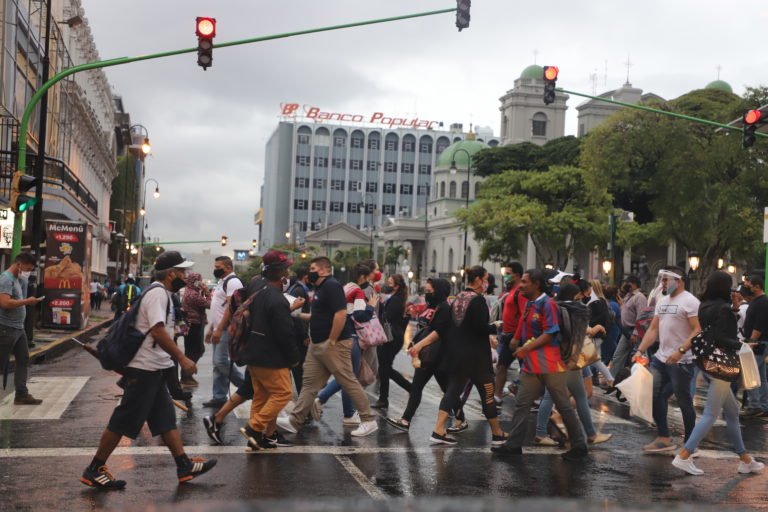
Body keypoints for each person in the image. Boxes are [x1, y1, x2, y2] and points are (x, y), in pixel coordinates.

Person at [80, 251, 216, 489]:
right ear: (171, 273)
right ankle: (94, 469)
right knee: (123, 421)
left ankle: (183, 465)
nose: (185, 276)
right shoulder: (157, 294)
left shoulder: (163, 293)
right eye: (182, 271)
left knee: (165, 420)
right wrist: (182, 359)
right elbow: (158, 331)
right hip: (144, 370)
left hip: (155, 369)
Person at [672, 271, 765, 476]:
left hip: (708, 364)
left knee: (731, 413)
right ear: (725, 287)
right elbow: (722, 338)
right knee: (710, 415)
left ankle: (745, 459)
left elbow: (713, 331)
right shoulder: (722, 308)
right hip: (722, 367)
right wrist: (742, 344)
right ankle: (684, 455)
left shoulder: (704, 305)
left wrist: (733, 308)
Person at [492, 268, 588, 460]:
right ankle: (514, 444)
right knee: (522, 404)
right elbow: (523, 323)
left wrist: (525, 348)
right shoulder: (530, 303)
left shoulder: (548, 304)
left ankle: (579, 446)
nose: (521, 285)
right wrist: (516, 339)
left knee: (563, 405)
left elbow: (550, 332)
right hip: (532, 364)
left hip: (550, 363)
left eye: (525, 282)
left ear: (536, 284)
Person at [277, 256, 378, 437]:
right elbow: (319, 316)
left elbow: (340, 314)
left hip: (334, 344)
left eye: (313, 268)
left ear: (323, 270)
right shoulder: (320, 288)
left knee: (348, 380)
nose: (310, 271)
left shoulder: (331, 286)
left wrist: (331, 341)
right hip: (317, 345)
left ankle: (368, 420)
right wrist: (297, 314)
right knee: (309, 384)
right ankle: (294, 420)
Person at [430, 266, 507, 446]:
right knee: (488, 391)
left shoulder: (457, 298)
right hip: (476, 357)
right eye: (486, 278)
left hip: (457, 355)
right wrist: (495, 327)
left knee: (452, 391)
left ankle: (438, 430)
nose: (488, 282)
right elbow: (479, 328)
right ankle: (497, 433)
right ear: (479, 280)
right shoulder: (478, 300)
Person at [533, 283, 612, 446]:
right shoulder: (576, 310)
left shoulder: (553, 307)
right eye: (579, 295)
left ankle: (541, 433)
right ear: (573, 296)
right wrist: (596, 327)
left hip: (554, 356)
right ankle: (590, 435)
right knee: (580, 396)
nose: (582, 297)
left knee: (552, 395)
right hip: (569, 358)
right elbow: (584, 332)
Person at [238, 250, 302, 451]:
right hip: (270, 357)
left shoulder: (258, 286)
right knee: (283, 394)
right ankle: (254, 428)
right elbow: (285, 334)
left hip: (253, 352)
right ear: (281, 274)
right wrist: (294, 359)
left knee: (261, 396)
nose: (289, 274)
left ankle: (258, 439)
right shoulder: (278, 299)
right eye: (287, 270)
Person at [634, 267, 700, 452]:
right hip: (660, 358)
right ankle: (663, 437)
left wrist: (680, 350)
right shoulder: (662, 301)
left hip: (682, 361)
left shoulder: (691, 301)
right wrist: (640, 350)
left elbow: (697, 329)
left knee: (683, 400)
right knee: (654, 394)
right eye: (662, 280)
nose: (662, 283)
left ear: (679, 281)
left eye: (666, 280)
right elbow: (653, 329)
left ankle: (690, 445)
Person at [386, 278, 452, 432]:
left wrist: (419, 345)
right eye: (426, 291)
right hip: (427, 354)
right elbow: (424, 329)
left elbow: (438, 332)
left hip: (436, 355)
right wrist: (414, 342)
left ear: (439, 291)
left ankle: (406, 420)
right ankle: (405, 420)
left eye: (430, 291)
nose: (427, 294)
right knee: (421, 387)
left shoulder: (444, 308)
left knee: (447, 389)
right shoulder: (430, 307)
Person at [315, 264, 375, 425]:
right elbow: (360, 315)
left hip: (340, 334)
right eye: (370, 274)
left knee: (346, 375)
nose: (372, 277)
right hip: (351, 335)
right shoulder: (357, 291)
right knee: (349, 377)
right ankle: (335, 406)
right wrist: (371, 306)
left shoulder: (345, 287)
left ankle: (346, 412)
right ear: (362, 277)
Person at [0, 253, 44, 405]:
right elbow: (4, 303)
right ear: (19, 264)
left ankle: (21, 394)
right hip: (6, 328)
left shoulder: (17, 279)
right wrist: (27, 301)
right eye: (28, 268)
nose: (28, 272)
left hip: (18, 328)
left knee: (23, 359)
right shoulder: (6, 279)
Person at [204, 256, 245, 409]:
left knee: (220, 361)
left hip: (226, 329)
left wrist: (220, 329)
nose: (215, 269)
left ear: (228, 267)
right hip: (218, 328)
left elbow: (231, 307)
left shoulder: (233, 281)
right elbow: (218, 308)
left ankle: (246, 387)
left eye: (218, 266)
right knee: (217, 364)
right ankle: (219, 396)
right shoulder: (222, 281)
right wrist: (212, 329)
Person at [372, 274, 412, 409]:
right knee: (385, 368)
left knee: (385, 368)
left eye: (390, 283)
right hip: (393, 336)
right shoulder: (396, 298)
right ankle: (384, 398)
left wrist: (384, 337)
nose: (387, 285)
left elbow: (388, 320)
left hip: (391, 337)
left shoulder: (396, 300)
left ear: (396, 286)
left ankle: (408, 389)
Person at [494, 262, 526, 405]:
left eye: (508, 273)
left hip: (515, 336)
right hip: (507, 334)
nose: (505, 276)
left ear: (517, 275)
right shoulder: (511, 291)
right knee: (502, 366)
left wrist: (517, 337)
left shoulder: (520, 292)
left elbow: (523, 316)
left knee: (526, 368)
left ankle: (530, 396)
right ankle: (497, 395)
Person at [741, 275, 768, 417]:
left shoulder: (763, 302)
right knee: (760, 375)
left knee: (749, 373)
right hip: (757, 342)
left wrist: (751, 341)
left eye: (749, 285)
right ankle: (763, 405)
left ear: (757, 286)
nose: (747, 287)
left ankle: (755, 405)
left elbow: (760, 324)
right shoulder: (757, 301)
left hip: (757, 342)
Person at [611, 275, 647, 371]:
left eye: (628, 283)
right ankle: (613, 381)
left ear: (634, 284)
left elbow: (642, 316)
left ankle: (636, 380)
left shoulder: (639, 297)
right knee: (618, 356)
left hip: (635, 331)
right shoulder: (628, 296)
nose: (626, 285)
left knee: (637, 357)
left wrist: (636, 332)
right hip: (626, 331)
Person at [180, 271, 210, 387]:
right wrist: (207, 291)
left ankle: (186, 376)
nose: (201, 283)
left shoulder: (189, 291)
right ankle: (186, 376)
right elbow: (209, 304)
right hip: (194, 325)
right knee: (197, 350)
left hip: (191, 324)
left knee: (191, 351)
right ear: (196, 281)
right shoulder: (193, 294)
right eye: (199, 280)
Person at [286, 265, 311, 394]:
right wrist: (304, 335)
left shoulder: (294, 288)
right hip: (298, 335)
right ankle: (303, 400)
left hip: (294, 334)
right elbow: (297, 316)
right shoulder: (299, 291)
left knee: (297, 368)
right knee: (299, 369)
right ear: (306, 277)